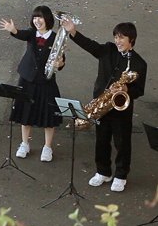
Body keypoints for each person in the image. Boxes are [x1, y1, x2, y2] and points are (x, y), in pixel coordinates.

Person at [63, 19, 147, 192]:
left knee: (122, 143)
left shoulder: (139, 63)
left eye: (121, 37)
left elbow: (139, 90)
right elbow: (91, 46)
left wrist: (126, 89)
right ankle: (103, 172)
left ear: (131, 39)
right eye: (116, 37)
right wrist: (73, 32)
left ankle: (121, 175)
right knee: (101, 140)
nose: (117, 41)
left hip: (121, 109)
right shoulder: (108, 50)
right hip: (102, 105)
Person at [0, 6, 64, 162]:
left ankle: (47, 147)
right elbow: (20, 34)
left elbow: (61, 59)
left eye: (40, 17)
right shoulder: (31, 34)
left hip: (46, 81)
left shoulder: (56, 37)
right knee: (25, 112)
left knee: (49, 115)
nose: (37, 21)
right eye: (35, 18)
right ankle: (24, 144)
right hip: (27, 79)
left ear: (47, 19)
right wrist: (12, 30)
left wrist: (60, 64)